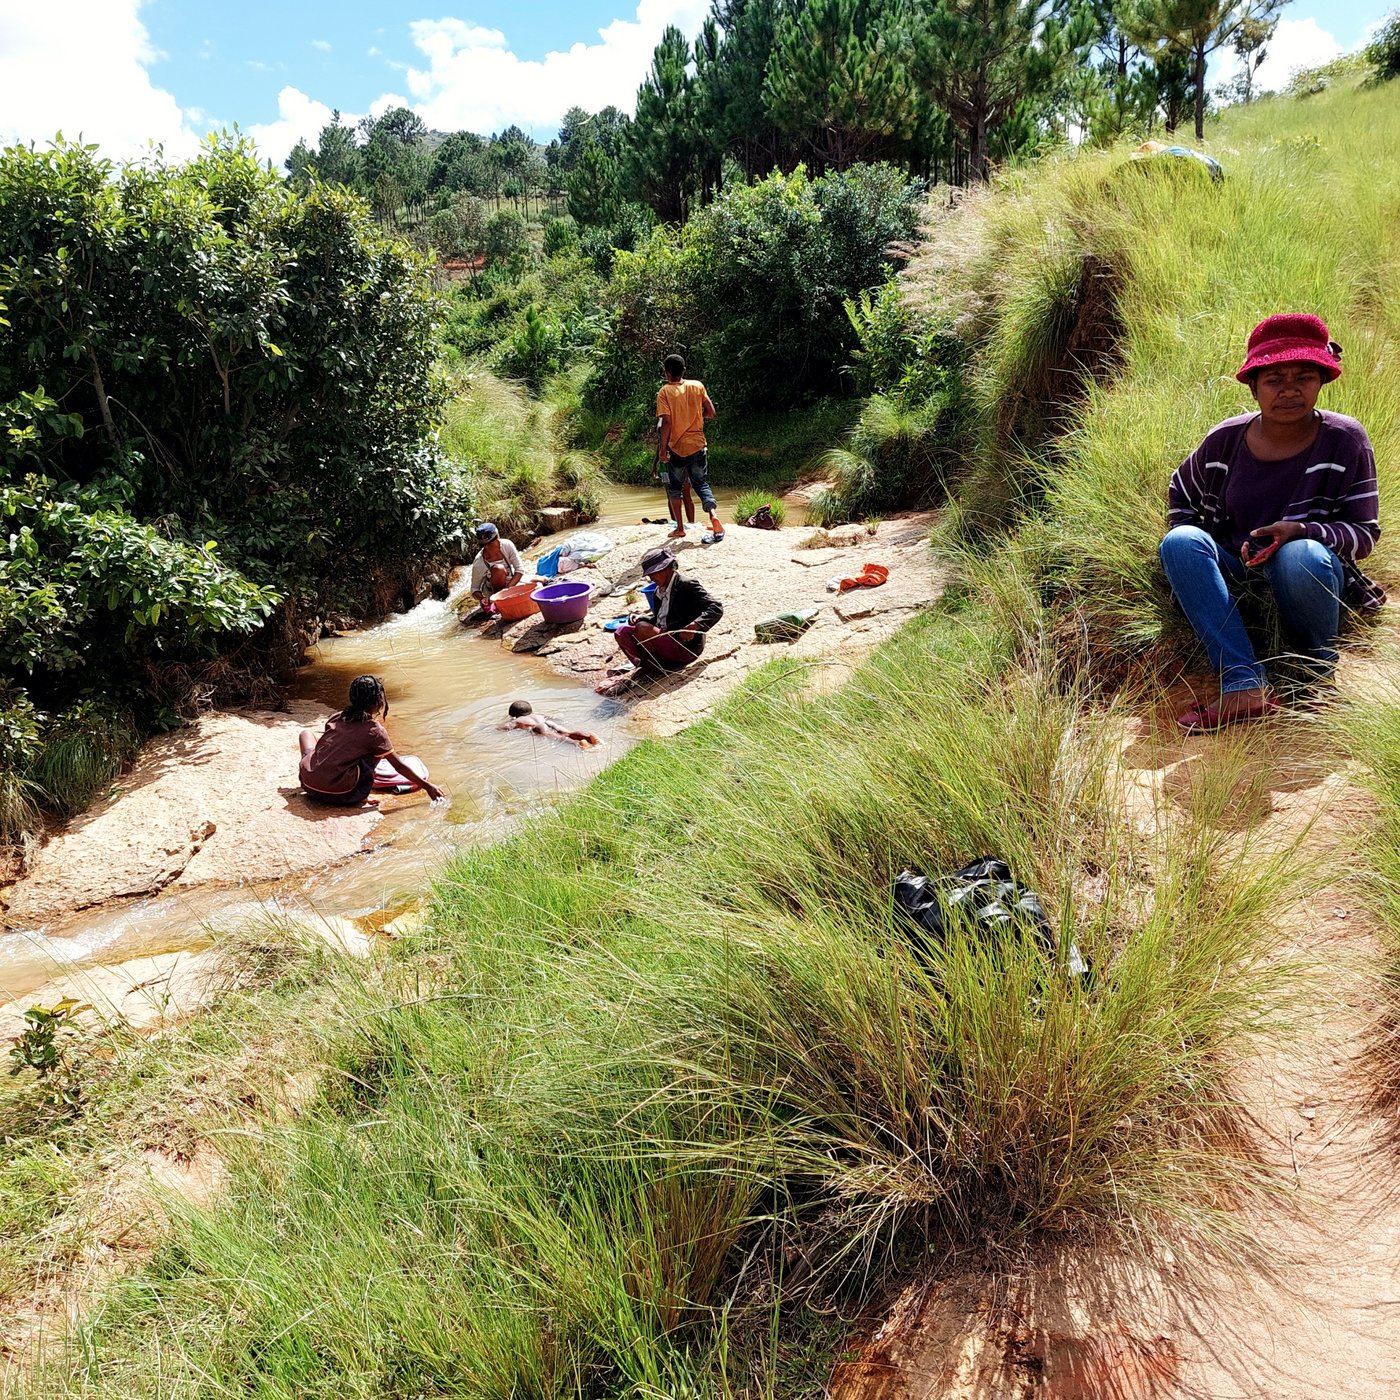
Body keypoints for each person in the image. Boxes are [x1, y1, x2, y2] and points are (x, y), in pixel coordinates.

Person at [1160, 313, 1383, 732]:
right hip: (1235, 571)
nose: (1289, 390)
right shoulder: (1224, 440)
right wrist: (1205, 559)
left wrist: (1301, 531)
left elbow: (1364, 534)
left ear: (1322, 381)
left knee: (1300, 555)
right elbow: (1182, 495)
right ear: (1253, 386)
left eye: (1303, 377)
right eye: (1274, 379)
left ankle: (1315, 673)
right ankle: (1243, 683)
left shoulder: (1346, 439)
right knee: (1180, 541)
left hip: (1306, 574)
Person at [298, 675, 445, 806]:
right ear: (377, 702)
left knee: (306, 734)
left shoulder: (337, 717)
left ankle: (319, 777)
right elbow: (398, 767)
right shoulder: (375, 731)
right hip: (342, 794)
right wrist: (428, 786)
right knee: (374, 754)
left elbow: (333, 749)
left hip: (308, 785)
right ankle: (360, 796)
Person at [609, 545, 724, 681]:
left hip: (686, 647)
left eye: (654, 573)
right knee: (622, 631)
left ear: (667, 568)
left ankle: (656, 668)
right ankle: (650, 663)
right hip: (667, 641)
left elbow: (716, 607)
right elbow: (661, 620)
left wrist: (694, 627)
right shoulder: (658, 592)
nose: (652, 579)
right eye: (649, 575)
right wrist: (642, 618)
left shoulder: (687, 584)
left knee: (642, 629)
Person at [656, 353, 723, 542]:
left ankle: (679, 528)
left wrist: (662, 450)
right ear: (684, 370)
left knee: (674, 488)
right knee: (701, 484)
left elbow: (666, 423)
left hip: (677, 448)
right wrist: (696, 416)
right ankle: (713, 516)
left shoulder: (664, 392)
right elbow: (711, 412)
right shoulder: (697, 386)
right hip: (698, 445)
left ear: (666, 373)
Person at [500, 699, 601, 748]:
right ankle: (588, 737)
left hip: (539, 727)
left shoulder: (516, 720)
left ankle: (578, 744)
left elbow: (505, 727)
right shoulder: (538, 715)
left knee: (557, 737)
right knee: (567, 732)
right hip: (548, 722)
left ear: (512, 714)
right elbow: (551, 717)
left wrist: (500, 727)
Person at [470, 522, 524, 608]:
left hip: (510, 583)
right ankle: (499, 602)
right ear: (497, 536)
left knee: (540, 581)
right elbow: (474, 589)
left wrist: (508, 589)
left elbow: (520, 570)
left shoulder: (507, 545)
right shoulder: (479, 562)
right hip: (493, 592)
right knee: (498, 569)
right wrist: (482, 598)